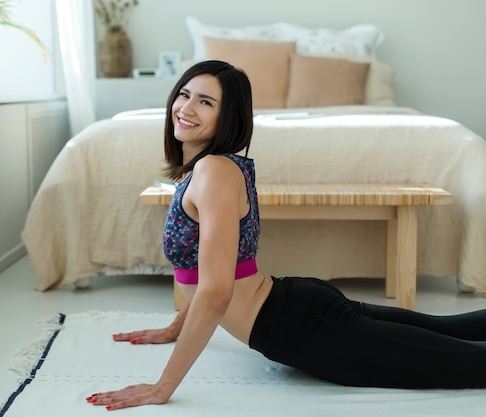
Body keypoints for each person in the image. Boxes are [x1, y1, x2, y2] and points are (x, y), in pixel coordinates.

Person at [86, 60, 486, 411]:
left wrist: (163, 387)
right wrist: (174, 329)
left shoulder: (213, 173)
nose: (186, 109)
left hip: (301, 328)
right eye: (184, 94)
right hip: (296, 309)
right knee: (453, 331)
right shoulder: (208, 170)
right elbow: (206, 270)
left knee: (470, 364)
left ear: (228, 118)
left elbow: (216, 291)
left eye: (205, 102)